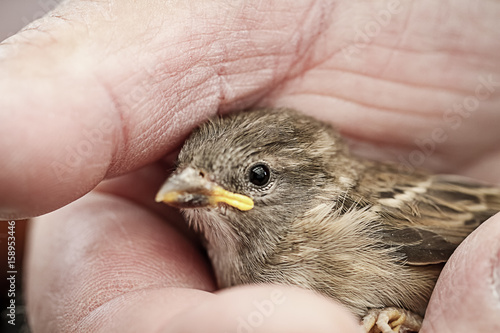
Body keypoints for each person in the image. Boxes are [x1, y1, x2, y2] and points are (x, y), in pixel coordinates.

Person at [1, 1, 499, 332]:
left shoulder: (342, 222)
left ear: (315, 181)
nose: (188, 189)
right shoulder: (218, 259)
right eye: (189, 174)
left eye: (257, 176)